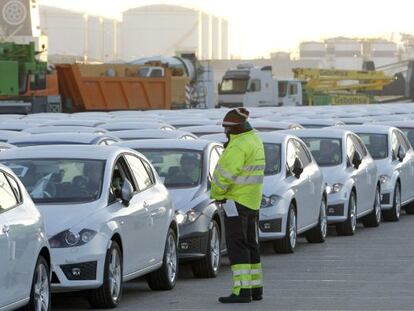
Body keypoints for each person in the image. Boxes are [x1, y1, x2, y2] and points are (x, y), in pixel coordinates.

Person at [211, 108, 265, 304]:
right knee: (251, 244)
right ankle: (255, 288)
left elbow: (226, 175)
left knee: (237, 246)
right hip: (251, 201)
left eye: (226, 128)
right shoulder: (254, 140)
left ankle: (242, 291)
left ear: (235, 128)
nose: (225, 131)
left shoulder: (237, 146)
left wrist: (217, 194)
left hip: (235, 201)